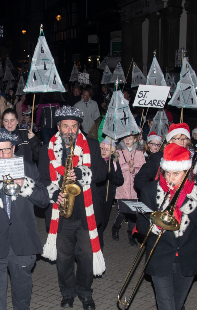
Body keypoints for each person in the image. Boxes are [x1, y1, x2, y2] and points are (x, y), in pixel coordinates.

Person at [0, 128, 49, 310]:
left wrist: (24, 183)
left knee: (22, 299)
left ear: (13, 148)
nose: (2, 155)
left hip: (23, 242)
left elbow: (44, 201)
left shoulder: (28, 167)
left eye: (5, 149)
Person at [38, 106, 107, 309]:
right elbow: (41, 179)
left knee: (86, 257)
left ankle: (85, 292)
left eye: (74, 126)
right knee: (64, 258)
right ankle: (67, 293)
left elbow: (102, 173)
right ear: (58, 127)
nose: (70, 131)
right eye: (65, 126)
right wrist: (52, 193)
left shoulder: (93, 146)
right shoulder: (45, 150)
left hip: (86, 215)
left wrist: (81, 171)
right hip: (60, 215)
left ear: (79, 127)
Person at [135, 143, 197, 310]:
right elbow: (141, 224)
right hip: (160, 256)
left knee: (177, 305)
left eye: (176, 174)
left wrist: (186, 204)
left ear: (187, 173)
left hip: (188, 258)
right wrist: (154, 226)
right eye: (167, 173)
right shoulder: (150, 190)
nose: (170, 179)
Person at [134, 123, 191, 189]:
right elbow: (140, 179)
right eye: (178, 139)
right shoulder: (158, 157)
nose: (182, 142)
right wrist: (153, 192)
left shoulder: (190, 159)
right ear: (170, 140)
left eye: (185, 139)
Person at [112, 134, 146, 246]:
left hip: (134, 188)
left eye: (130, 138)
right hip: (123, 187)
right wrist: (127, 165)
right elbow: (115, 167)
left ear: (135, 139)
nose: (127, 140)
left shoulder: (139, 152)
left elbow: (143, 168)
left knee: (132, 213)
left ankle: (131, 234)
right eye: (125, 138)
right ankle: (115, 227)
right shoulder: (118, 151)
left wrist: (134, 169)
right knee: (122, 211)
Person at [93, 137, 123, 247]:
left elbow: (120, 181)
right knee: (98, 220)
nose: (103, 151)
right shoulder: (96, 161)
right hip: (96, 196)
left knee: (104, 221)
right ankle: (97, 244)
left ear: (112, 151)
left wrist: (111, 176)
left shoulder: (114, 164)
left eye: (107, 149)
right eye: (102, 148)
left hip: (108, 197)